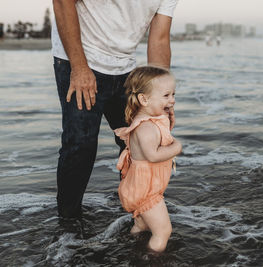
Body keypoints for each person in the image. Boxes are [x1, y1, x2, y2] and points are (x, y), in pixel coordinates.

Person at [52, 0, 178, 218]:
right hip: (80, 56)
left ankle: (138, 209)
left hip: (126, 67)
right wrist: (79, 67)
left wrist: (161, 96)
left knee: (145, 137)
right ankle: (68, 223)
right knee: (81, 144)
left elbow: (159, 37)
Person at [114, 66, 182, 252]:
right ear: (144, 99)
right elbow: (153, 156)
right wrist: (177, 147)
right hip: (146, 190)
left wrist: (167, 122)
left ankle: (129, 247)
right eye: (166, 95)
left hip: (143, 185)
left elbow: (160, 138)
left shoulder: (150, 121)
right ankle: (152, 260)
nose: (172, 100)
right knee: (163, 232)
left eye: (173, 94)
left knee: (143, 226)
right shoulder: (146, 129)